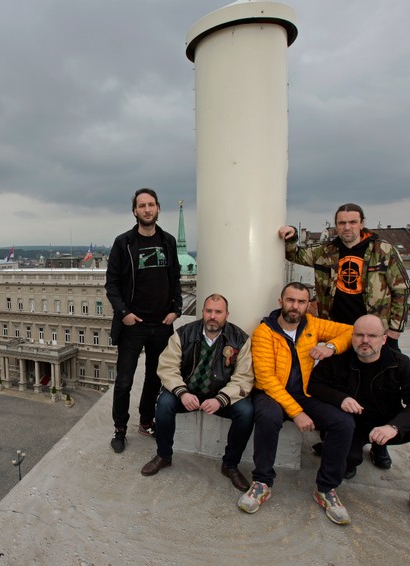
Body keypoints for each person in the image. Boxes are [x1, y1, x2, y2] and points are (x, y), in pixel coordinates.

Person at [278, 203, 410, 469]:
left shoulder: (382, 250)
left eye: (352, 222)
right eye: (342, 223)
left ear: (362, 223)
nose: (347, 227)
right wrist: (290, 235)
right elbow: (295, 254)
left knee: (380, 390)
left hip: (372, 334)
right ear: (335, 225)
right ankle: (337, 438)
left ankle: (380, 444)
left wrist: (395, 329)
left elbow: (402, 289)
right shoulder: (326, 251)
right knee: (339, 387)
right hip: (337, 333)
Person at [308, 314, 410, 528]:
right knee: (347, 466)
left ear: (384, 339)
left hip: (386, 424)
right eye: (359, 335)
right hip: (353, 426)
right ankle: (347, 454)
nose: (365, 341)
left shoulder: (399, 363)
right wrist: (340, 398)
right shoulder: (338, 360)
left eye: (372, 336)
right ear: (352, 337)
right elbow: (314, 385)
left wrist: (395, 426)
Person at [238, 282, 355, 525]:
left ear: (308, 305)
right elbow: (266, 378)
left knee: (343, 423)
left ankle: (326, 488)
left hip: (304, 392)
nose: (295, 306)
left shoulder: (312, 325)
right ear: (280, 302)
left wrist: (330, 347)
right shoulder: (264, 331)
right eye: (291, 300)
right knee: (268, 417)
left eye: (301, 302)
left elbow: (351, 331)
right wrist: (297, 413)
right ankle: (262, 482)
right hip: (271, 393)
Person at [140, 294, 254, 491]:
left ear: (227, 314)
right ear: (202, 311)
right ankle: (164, 455)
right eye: (208, 311)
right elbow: (167, 367)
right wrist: (182, 393)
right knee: (164, 403)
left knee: (246, 412)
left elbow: (244, 377)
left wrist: (221, 399)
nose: (212, 316)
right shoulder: (183, 334)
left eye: (218, 312)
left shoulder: (239, 339)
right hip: (188, 393)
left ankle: (230, 465)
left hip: (220, 396)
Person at [105, 188, 182, 453]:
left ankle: (146, 421)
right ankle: (120, 428)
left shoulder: (168, 241)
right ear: (134, 211)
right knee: (124, 381)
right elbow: (112, 284)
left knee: (154, 378)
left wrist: (177, 309)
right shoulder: (124, 243)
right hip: (133, 325)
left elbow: (175, 279)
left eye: (151, 205)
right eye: (142, 206)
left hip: (161, 324)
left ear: (158, 208)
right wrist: (123, 313)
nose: (147, 210)